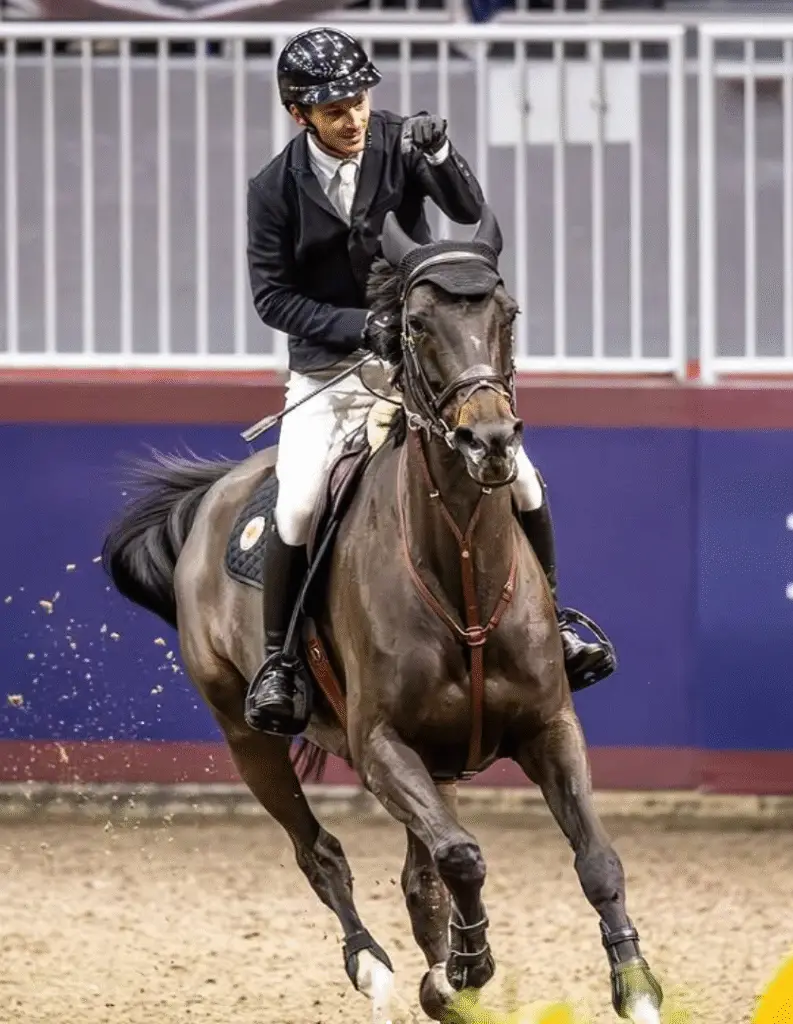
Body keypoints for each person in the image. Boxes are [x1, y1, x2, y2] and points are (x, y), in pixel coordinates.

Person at [245, 27, 614, 737]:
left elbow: (468, 209)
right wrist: (360, 327)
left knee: (524, 482)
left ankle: (557, 624)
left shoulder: (397, 142)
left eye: (357, 102)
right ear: (300, 115)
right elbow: (272, 299)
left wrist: (440, 154)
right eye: (332, 111)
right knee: (296, 504)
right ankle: (279, 662)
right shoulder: (272, 189)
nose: (352, 119)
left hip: (424, 365)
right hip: (332, 372)